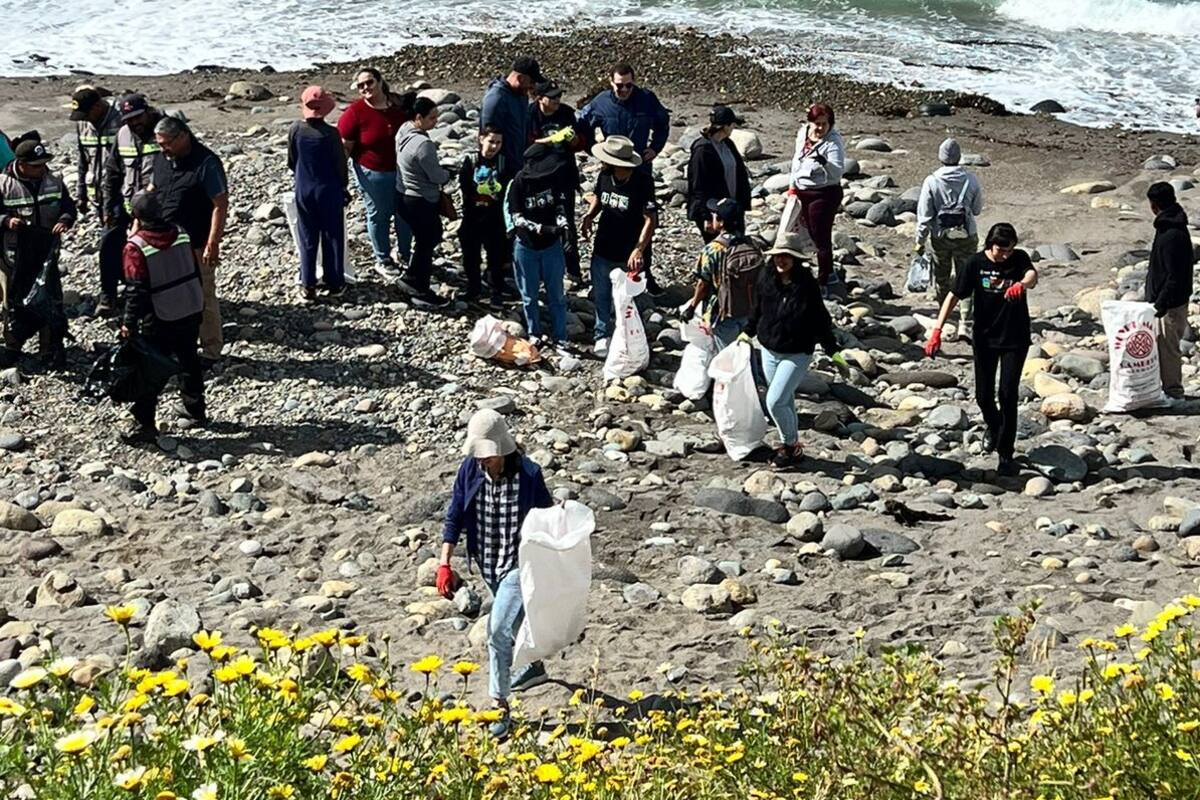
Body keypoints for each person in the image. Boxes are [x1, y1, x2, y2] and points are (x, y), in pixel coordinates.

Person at [438, 408, 554, 739]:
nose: (481, 462)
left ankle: (499, 706)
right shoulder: (469, 471)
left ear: (501, 451)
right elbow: (454, 517)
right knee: (514, 622)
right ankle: (533, 666)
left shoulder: (530, 476)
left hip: (519, 564)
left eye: (486, 456)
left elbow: (545, 519)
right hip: (488, 561)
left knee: (498, 629)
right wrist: (444, 563)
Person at [924, 223, 1037, 477]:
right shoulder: (975, 264)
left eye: (1009, 250)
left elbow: (1032, 275)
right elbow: (953, 296)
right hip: (985, 338)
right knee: (983, 396)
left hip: (1014, 338)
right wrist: (937, 331)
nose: (1005, 255)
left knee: (1008, 394)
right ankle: (995, 428)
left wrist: (1023, 285)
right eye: (1000, 250)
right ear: (990, 245)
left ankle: (1006, 455)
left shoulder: (1018, 258)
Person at [743, 231, 845, 469]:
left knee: (774, 401)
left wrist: (833, 351)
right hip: (769, 348)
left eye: (787, 256)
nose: (781, 260)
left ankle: (790, 446)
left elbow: (821, 319)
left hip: (797, 353)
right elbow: (757, 309)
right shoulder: (766, 278)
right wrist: (746, 332)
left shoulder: (806, 286)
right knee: (785, 401)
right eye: (778, 255)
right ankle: (790, 447)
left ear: (796, 259)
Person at [119, 190, 205, 443]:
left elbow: (136, 290)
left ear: (135, 216)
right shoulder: (181, 232)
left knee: (151, 368)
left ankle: (145, 424)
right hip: (190, 304)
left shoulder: (136, 247)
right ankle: (195, 409)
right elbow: (194, 268)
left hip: (160, 314)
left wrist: (128, 323)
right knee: (189, 359)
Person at [578, 63, 670, 293]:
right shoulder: (601, 102)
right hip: (611, 166)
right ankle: (607, 269)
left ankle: (644, 273)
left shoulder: (647, 99)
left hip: (640, 168)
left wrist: (655, 147)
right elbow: (582, 125)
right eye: (620, 86)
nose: (625, 90)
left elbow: (662, 123)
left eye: (629, 85)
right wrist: (592, 147)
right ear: (611, 82)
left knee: (645, 219)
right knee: (612, 214)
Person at [152, 116, 228, 364]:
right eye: (159, 144)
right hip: (165, 242)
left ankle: (211, 350)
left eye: (166, 144)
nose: (163, 149)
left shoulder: (207, 163)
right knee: (169, 295)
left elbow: (220, 204)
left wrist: (212, 242)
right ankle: (175, 344)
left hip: (196, 242)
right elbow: (154, 190)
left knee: (204, 295)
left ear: (183, 136)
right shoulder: (162, 160)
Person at [0, 141, 75, 369]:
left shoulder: (53, 182)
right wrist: (6, 220)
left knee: (48, 301)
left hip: (45, 257)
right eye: (35, 166)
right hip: (12, 257)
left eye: (44, 164)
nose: (41, 169)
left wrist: (64, 220)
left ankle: (49, 348)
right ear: (20, 164)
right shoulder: (3, 185)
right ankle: (12, 346)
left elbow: (68, 208)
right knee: (12, 302)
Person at [580, 136, 655, 357]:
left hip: (628, 252)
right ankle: (601, 334)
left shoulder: (642, 183)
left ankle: (629, 337)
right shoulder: (605, 176)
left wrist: (639, 248)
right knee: (602, 294)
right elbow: (600, 199)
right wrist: (589, 217)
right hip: (603, 246)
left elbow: (651, 219)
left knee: (628, 299)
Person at [337, 67, 413, 279]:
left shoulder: (398, 105)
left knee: (405, 213)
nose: (365, 88)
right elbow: (345, 148)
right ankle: (383, 259)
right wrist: (339, 177)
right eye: (360, 86)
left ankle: (405, 254)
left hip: (403, 170)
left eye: (369, 82)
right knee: (379, 215)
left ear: (380, 82)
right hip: (373, 173)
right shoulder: (354, 113)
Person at [916, 138, 983, 340]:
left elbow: (924, 216)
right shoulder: (971, 180)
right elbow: (977, 209)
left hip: (940, 236)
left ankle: (945, 316)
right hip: (966, 235)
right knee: (967, 277)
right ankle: (966, 323)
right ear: (959, 157)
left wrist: (919, 240)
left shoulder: (932, 181)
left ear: (940, 157)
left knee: (942, 276)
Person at [505, 143, 570, 349]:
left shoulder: (554, 178)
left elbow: (560, 206)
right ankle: (535, 333)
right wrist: (543, 228)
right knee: (529, 295)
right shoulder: (518, 183)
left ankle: (561, 336)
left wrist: (563, 225)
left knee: (557, 294)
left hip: (552, 248)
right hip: (526, 247)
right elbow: (517, 218)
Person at [288, 86, 348, 303]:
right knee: (332, 236)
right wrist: (343, 187)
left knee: (307, 237)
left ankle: (308, 284)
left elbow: (291, 161)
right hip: (328, 189)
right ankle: (335, 282)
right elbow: (340, 166)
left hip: (304, 188)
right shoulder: (331, 134)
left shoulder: (295, 130)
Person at [70, 86, 124, 315]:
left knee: (109, 245)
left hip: (123, 195)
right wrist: (81, 192)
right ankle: (123, 287)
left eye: (86, 114)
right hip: (98, 197)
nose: (84, 120)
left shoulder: (121, 122)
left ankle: (108, 295)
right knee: (114, 244)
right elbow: (83, 160)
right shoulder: (83, 124)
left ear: (98, 107)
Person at [681, 198, 760, 350]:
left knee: (725, 356)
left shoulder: (713, 249)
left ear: (722, 222)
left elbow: (703, 284)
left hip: (723, 313)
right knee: (745, 350)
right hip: (748, 309)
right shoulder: (751, 243)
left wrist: (691, 307)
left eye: (715, 215)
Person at [395, 97, 451, 307]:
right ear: (418, 118)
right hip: (420, 199)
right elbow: (436, 176)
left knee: (423, 241)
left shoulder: (403, 130)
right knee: (428, 240)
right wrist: (448, 174)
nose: (436, 122)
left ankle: (411, 277)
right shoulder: (424, 144)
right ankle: (420, 289)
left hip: (403, 195)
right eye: (432, 118)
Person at [530, 80, 585, 282]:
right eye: (552, 97)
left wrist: (573, 140)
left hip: (564, 175)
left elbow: (580, 142)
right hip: (538, 177)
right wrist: (551, 140)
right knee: (539, 222)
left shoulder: (566, 113)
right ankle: (542, 271)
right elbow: (528, 146)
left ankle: (573, 270)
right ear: (539, 98)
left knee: (567, 223)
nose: (557, 101)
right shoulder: (530, 114)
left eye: (559, 96)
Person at [788, 103, 846, 292]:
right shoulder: (803, 133)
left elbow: (837, 173)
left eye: (824, 124)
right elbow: (796, 161)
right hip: (802, 189)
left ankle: (826, 277)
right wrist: (791, 187)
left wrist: (825, 163)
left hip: (824, 193)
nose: (820, 128)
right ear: (809, 122)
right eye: (817, 124)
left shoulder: (833, 142)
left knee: (819, 235)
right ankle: (794, 272)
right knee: (793, 231)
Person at [1145, 181, 1194, 400]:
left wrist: (1160, 303)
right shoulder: (1172, 227)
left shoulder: (1170, 234)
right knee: (1164, 347)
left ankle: (1173, 392)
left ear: (1154, 205)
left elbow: (1174, 275)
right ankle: (1166, 389)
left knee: (1169, 349)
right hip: (1171, 300)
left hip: (1170, 304)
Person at [459, 126, 510, 305]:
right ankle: (473, 289)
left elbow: (507, 188)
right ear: (481, 139)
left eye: (498, 143)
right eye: (491, 142)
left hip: (495, 219)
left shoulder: (504, 162)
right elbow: (464, 186)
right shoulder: (471, 160)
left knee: (496, 258)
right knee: (471, 257)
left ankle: (497, 292)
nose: (494, 147)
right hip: (472, 217)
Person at [686, 105, 751, 242]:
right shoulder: (702, 149)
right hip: (713, 211)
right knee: (717, 248)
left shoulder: (728, 144)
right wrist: (706, 217)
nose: (734, 128)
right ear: (726, 126)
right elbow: (698, 185)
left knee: (736, 245)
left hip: (731, 208)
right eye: (732, 124)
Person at [104, 94, 165, 227]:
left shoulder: (166, 130)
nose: (135, 122)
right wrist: (108, 208)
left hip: (163, 210)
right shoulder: (122, 135)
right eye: (129, 120)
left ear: (148, 111)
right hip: (132, 210)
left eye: (138, 117)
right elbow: (113, 173)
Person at [481, 56, 541, 173]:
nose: (533, 86)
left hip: (519, 161)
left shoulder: (521, 95)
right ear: (520, 78)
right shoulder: (496, 99)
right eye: (531, 81)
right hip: (501, 166)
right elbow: (487, 137)